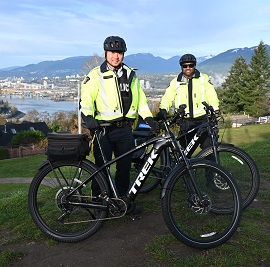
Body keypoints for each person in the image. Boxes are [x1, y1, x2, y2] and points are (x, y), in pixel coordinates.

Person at [80, 36, 157, 215]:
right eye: (113, 52)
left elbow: (141, 101)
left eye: (120, 53)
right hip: (103, 130)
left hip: (124, 130)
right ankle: (98, 206)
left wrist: (149, 119)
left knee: (124, 169)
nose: (116, 56)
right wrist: (88, 117)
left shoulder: (130, 74)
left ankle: (123, 204)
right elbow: (86, 100)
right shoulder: (95, 74)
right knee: (101, 169)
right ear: (105, 53)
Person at [157, 53, 220, 157]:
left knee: (210, 150)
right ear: (181, 67)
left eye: (191, 65)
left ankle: (213, 173)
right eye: (185, 66)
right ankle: (186, 173)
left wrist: (215, 109)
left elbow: (212, 94)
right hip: (185, 122)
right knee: (185, 154)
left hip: (203, 120)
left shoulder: (203, 79)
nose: (188, 68)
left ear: (194, 65)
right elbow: (168, 97)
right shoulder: (176, 82)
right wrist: (163, 109)